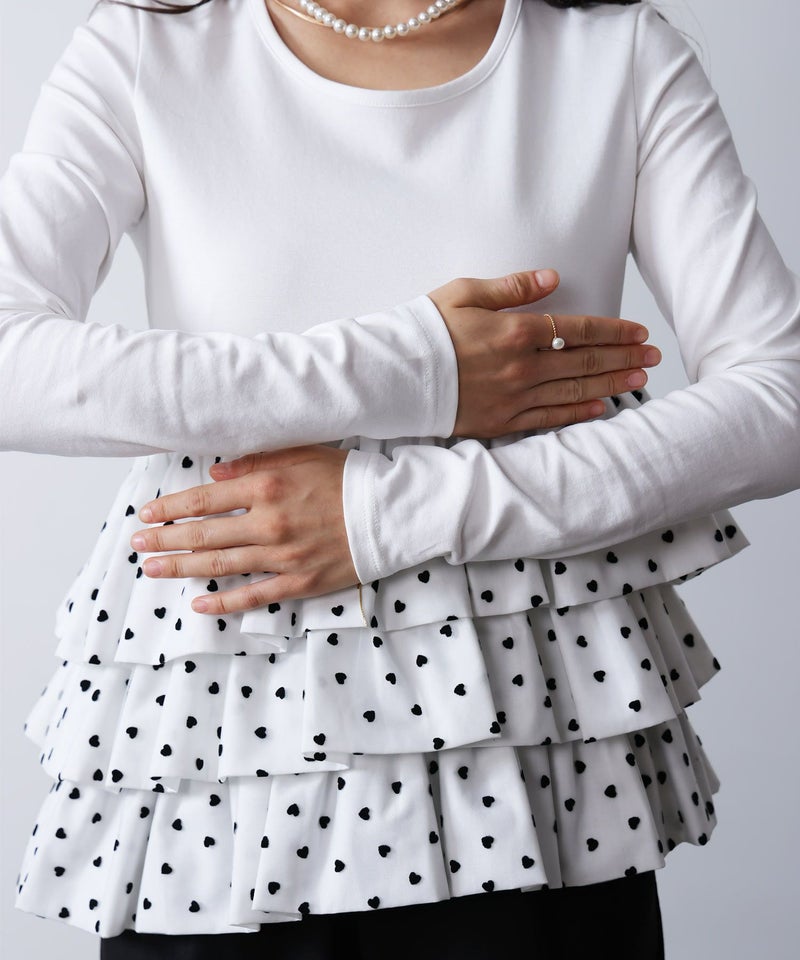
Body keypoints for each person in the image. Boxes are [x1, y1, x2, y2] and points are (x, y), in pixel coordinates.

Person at [3, 0, 799, 958]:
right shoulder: (147, 47)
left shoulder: (615, 54)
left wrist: (385, 511)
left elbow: (780, 396)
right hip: (217, 769)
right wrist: (418, 369)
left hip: (527, 750)